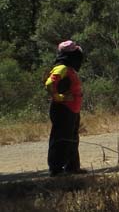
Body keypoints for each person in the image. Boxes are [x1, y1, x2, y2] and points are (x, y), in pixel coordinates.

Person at [45, 40, 86, 176]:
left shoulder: (69, 69)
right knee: (60, 139)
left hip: (72, 110)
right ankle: (56, 170)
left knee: (72, 138)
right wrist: (59, 97)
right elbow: (49, 83)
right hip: (62, 110)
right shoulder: (61, 68)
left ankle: (72, 167)